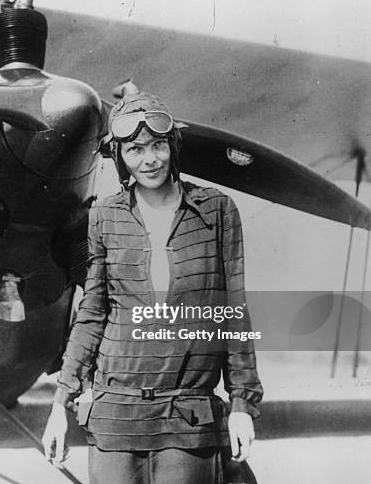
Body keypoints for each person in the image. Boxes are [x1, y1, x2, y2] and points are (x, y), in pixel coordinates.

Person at [42, 92, 263, 484]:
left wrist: (242, 404)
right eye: (136, 149)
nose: (150, 159)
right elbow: (92, 314)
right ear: (120, 157)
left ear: (172, 146)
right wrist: (61, 403)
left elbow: (233, 312)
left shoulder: (216, 210)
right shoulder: (104, 216)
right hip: (116, 414)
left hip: (188, 411)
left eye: (158, 145)